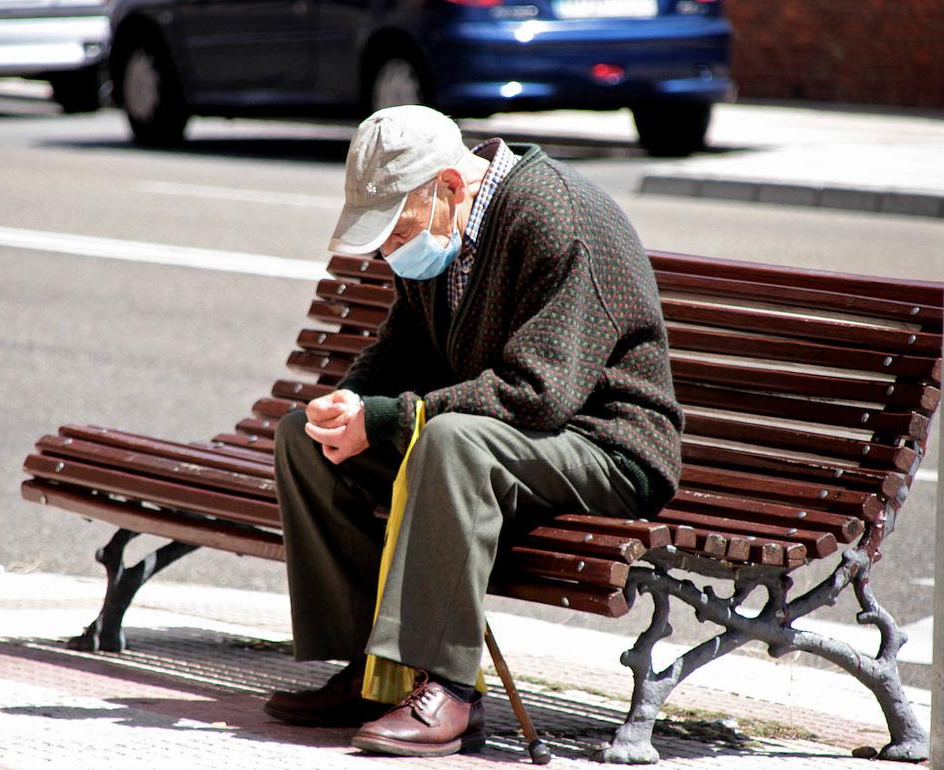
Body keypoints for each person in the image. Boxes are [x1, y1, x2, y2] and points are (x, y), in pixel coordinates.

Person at [265, 105, 683, 758]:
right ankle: (376, 674)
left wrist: (386, 421)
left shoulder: (553, 216)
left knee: (449, 440)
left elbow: (537, 394)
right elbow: (404, 343)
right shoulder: (447, 225)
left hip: (605, 447)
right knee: (304, 439)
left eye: (394, 233)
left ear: (450, 189)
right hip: (513, 439)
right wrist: (352, 400)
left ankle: (452, 690)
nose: (388, 251)